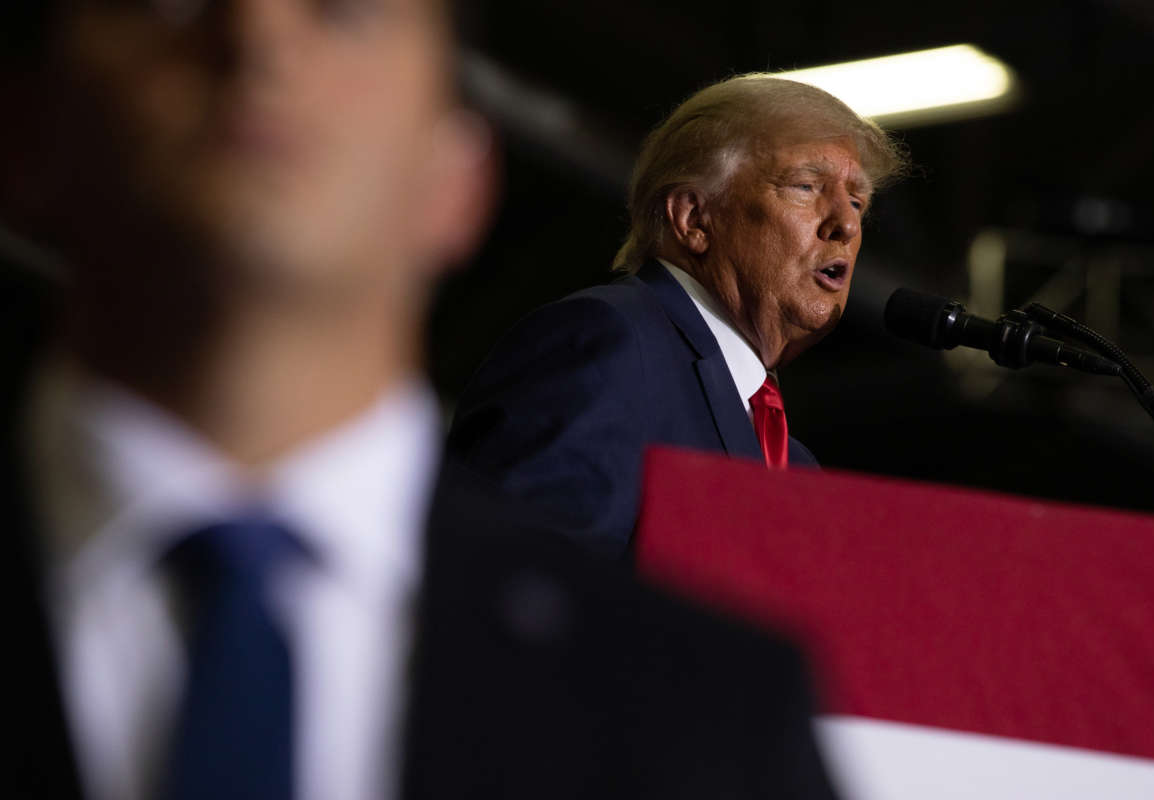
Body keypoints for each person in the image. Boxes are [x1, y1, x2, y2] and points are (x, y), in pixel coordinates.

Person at [4, 2, 840, 799]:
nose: (256, 35)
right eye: (169, 1)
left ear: (459, 177)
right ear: (23, 129)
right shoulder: (616, 345)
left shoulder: (733, 720)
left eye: (345, 9)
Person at [448, 75, 909, 558]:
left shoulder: (795, 464)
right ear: (693, 219)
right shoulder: (605, 343)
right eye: (806, 185)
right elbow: (525, 587)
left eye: (858, 201)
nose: (847, 224)